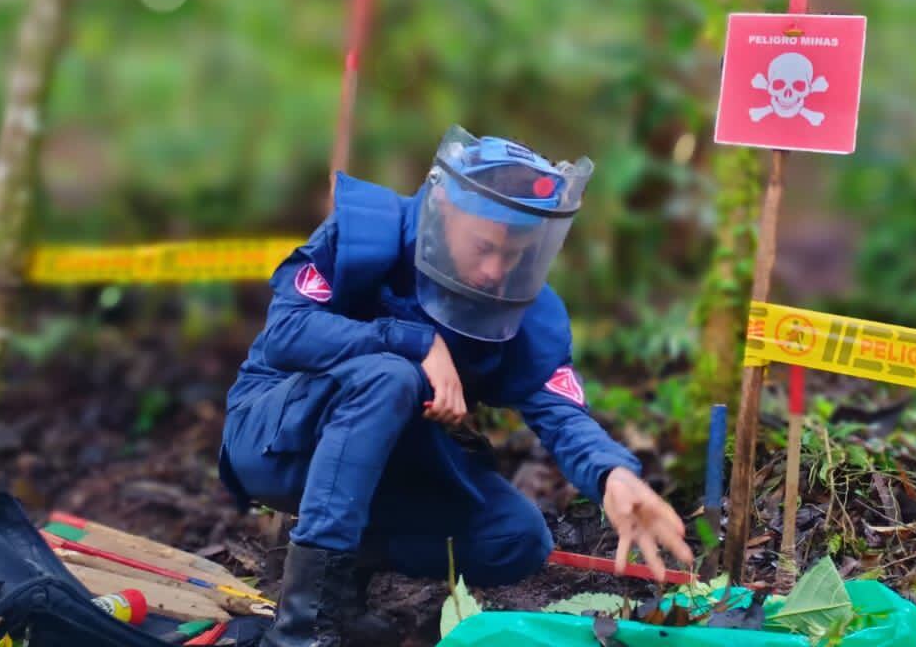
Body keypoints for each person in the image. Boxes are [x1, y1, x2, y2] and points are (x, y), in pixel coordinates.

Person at [218, 127, 693, 647]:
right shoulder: (369, 237)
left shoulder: (520, 310)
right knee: (390, 375)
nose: (494, 272)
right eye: (483, 248)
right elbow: (286, 333)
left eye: (512, 256)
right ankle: (300, 633)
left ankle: (341, 597)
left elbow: (559, 411)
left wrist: (611, 474)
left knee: (515, 538)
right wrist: (412, 340)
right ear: (441, 211)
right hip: (275, 438)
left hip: (386, 468)